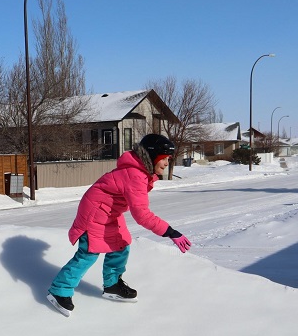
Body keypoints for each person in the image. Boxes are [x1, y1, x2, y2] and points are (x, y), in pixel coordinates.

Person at [46, 133, 192, 317]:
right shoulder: (136, 175)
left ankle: (112, 284)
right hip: (95, 211)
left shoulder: (140, 172)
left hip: (110, 212)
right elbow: (142, 215)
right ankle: (59, 290)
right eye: (164, 158)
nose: (166, 163)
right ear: (153, 156)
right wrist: (171, 232)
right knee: (89, 253)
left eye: (168, 159)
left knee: (121, 244)